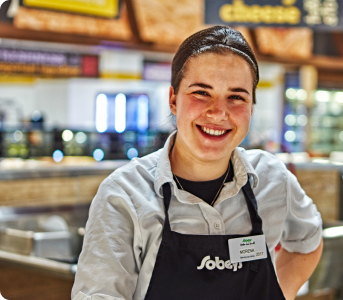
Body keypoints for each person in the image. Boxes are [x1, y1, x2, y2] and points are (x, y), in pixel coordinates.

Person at [72, 25, 323, 300]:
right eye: (201, 93)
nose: (218, 112)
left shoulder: (273, 179)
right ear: (173, 100)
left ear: (251, 107)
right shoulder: (124, 195)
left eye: (236, 97)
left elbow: (307, 242)